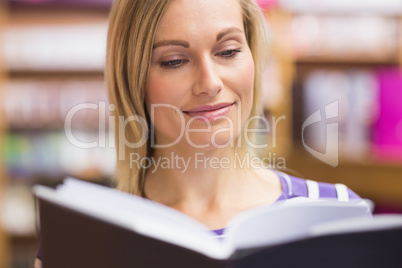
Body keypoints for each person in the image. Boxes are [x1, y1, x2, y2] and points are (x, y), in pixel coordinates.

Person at [34, 0, 360, 266]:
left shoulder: (340, 215)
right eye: (175, 61)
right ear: (133, 80)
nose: (210, 83)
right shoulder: (81, 237)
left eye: (228, 51)